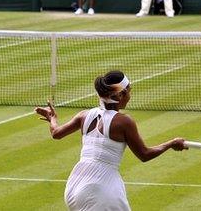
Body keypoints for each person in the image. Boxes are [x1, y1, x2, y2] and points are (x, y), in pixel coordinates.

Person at [34, 70, 186, 210]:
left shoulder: (84, 115)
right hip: (98, 189)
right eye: (130, 91)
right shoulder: (124, 122)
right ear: (121, 95)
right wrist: (171, 143)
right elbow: (144, 154)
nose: (130, 95)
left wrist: (52, 118)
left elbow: (56, 133)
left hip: (74, 187)